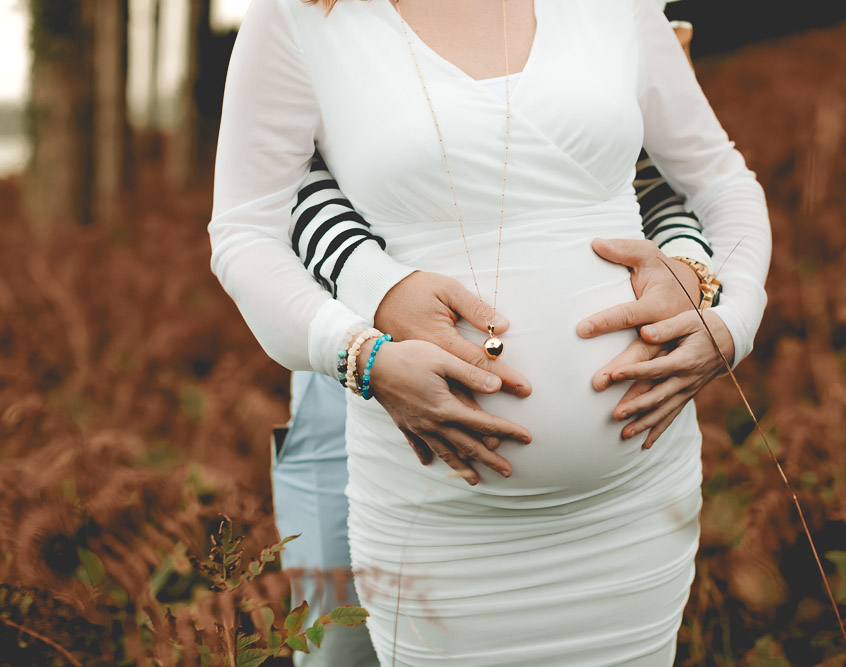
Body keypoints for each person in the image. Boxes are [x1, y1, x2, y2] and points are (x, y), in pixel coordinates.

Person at [209, 0, 771, 664]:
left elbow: (698, 175)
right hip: (438, 509)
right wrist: (363, 347)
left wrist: (721, 308)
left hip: (635, 508)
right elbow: (252, 222)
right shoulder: (304, 18)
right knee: (336, 648)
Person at [275, 150, 715, 667]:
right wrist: (375, 289)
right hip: (362, 367)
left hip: (630, 497)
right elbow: (279, 172)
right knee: (337, 638)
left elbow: (667, 177)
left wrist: (691, 271)